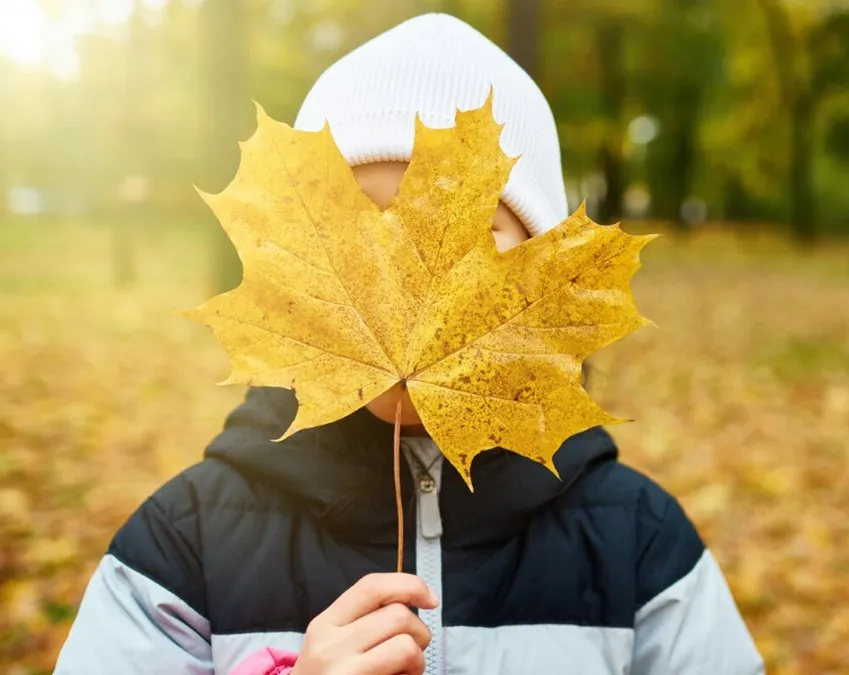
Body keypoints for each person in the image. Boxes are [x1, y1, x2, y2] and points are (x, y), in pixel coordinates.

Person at [53, 13, 763, 675]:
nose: (410, 289)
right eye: (365, 233)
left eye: (471, 240)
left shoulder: (639, 546)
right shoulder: (181, 548)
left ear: (542, 281)